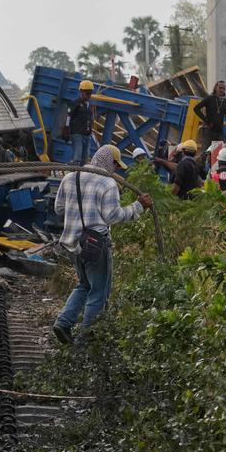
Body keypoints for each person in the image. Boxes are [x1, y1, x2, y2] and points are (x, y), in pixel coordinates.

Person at [52, 145, 153, 344]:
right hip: (96, 244)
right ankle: (87, 340)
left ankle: (63, 322)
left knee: (84, 284)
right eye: (116, 165)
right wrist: (138, 206)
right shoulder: (108, 184)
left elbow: (59, 209)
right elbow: (113, 216)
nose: (115, 170)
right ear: (111, 162)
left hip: (74, 244)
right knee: (98, 292)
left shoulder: (70, 177)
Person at [63, 80, 97, 165]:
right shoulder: (75, 103)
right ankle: (74, 174)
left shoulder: (88, 104)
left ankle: (81, 175)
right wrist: (66, 129)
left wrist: (90, 129)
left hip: (87, 134)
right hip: (77, 133)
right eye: (87, 93)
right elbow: (69, 116)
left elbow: (89, 118)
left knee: (85, 158)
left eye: (90, 93)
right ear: (81, 92)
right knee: (77, 157)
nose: (89, 95)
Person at [194, 80, 226, 150]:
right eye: (220, 88)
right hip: (208, 130)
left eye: (223, 88)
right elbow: (196, 108)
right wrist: (206, 120)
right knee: (204, 152)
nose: (222, 90)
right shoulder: (209, 99)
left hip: (220, 132)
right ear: (216, 88)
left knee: (219, 154)